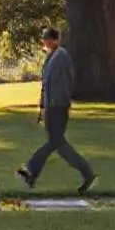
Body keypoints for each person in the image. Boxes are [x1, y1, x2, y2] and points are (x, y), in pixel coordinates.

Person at [16, 28, 97, 195]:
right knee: (61, 147)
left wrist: (61, 101)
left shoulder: (62, 57)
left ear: (55, 40)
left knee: (54, 141)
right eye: (43, 39)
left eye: (47, 39)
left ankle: (31, 170)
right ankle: (88, 176)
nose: (44, 42)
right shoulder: (50, 58)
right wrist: (42, 109)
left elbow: (68, 81)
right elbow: (45, 86)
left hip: (59, 106)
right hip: (51, 107)